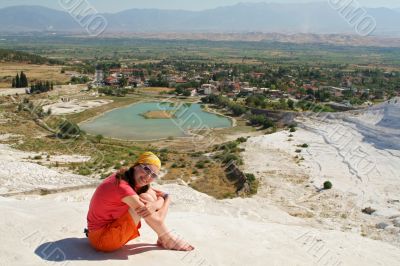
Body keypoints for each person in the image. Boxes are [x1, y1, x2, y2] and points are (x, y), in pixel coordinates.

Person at [86, 151, 194, 252]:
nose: (148, 177)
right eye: (146, 169)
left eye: (153, 175)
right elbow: (158, 218)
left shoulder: (129, 176)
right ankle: (167, 238)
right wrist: (166, 199)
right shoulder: (122, 186)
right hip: (102, 239)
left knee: (148, 196)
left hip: (105, 229)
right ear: (136, 166)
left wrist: (156, 203)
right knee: (144, 202)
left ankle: (163, 237)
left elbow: (160, 195)